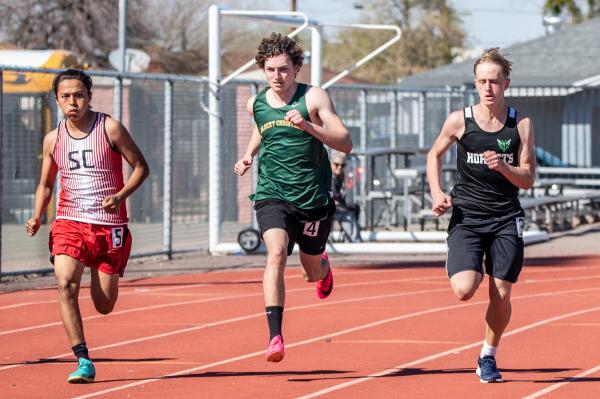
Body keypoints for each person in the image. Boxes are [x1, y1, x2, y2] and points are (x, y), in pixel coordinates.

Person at [234, 32, 352, 362]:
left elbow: (345, 141)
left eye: (283, 69)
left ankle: (322, 267)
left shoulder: (313, 98)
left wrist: (309, 127)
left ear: (296, 67)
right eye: (270, 70)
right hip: (272, 193)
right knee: (275, 254)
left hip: (312, 197)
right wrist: (248, 156)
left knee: (309, 272)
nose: (277, 77)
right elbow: (263, 125)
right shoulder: (254, 102)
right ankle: (275, 336)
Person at [25, 69, 149, 383]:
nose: (73, 102)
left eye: (78, 95)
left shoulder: (110, 128)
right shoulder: (53, 139)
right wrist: (38, 215)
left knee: (104, 305)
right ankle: (83, 360)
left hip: (109, 226)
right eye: (65, 97)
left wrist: (121, 195)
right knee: (65, 283)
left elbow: (141, 168)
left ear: (89, 96)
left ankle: (102, 270)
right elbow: (46, 184)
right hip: (70, 222)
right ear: (56, 100)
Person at [426, 48, 535, 383]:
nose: (488, 88)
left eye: (495, 82)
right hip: (468, 216)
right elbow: (434, 154)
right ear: (475, 83)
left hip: (505, 217)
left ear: (506, 83)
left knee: (500, 291)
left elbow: (528, 178)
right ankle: (459, 258)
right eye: (482, 82)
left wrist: (504, 166)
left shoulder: (521, 124)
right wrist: (437, 192)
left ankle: (488, 355)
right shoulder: (460, 120)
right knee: (464, 289)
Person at [331, 153, 362, 243]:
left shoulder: (339, 178)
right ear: (331, 164)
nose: (339, 167)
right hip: (326, 210)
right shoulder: (329, 177)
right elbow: (333, 200)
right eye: (336, 164)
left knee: (353, 208)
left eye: (342, 165)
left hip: (333, 208)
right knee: (347, 213)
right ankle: (354, 242)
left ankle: (351, 241)